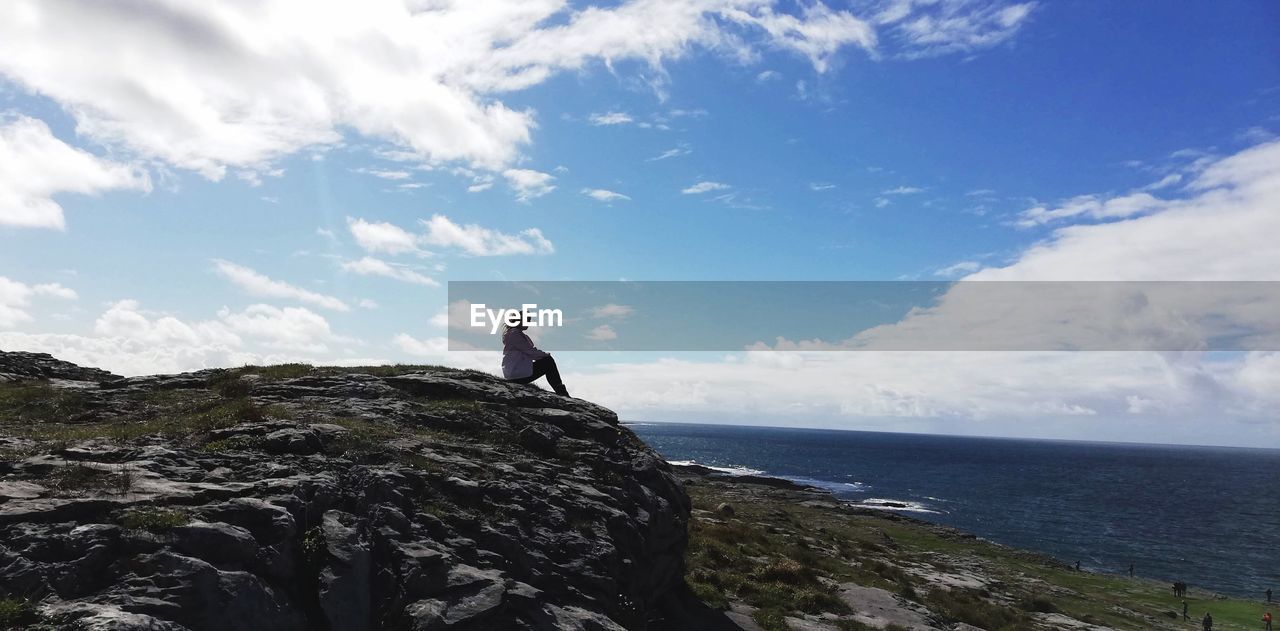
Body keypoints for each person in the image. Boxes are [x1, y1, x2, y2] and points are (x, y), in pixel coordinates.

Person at [501, 314, 570, 397]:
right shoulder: (514, 334)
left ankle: (561, 390)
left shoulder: (515, 333)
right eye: (527, 321)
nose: (529, 323)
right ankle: (561, 392)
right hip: (516, 375)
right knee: (548, 361)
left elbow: (530, 351)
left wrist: (542, 356)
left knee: (547, 361)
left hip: (516, 373)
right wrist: (545, 355)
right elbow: (530, 351)